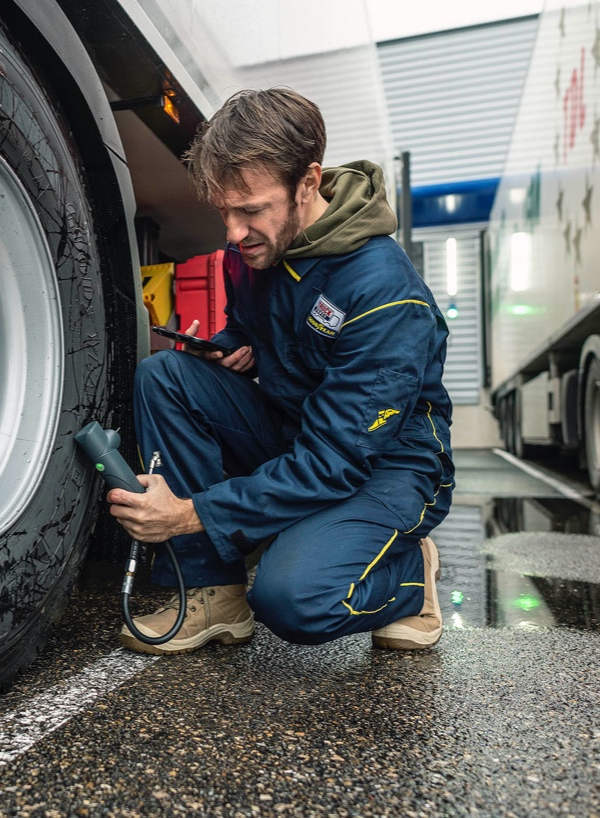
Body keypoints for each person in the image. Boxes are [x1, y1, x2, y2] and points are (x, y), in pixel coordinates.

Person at [108, 87, 454, 655]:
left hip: (383, 462)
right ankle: (211, 592)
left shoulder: (384, 293)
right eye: (223, 211)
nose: (232, 233)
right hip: (296, 430)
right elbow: (252, 327)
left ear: (308, 183)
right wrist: (230, 348)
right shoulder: (252, 251)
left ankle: (410, 574)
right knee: (166, 375)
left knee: (294, 598)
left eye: (250, 210)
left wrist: (188, 515)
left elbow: (337, 460)